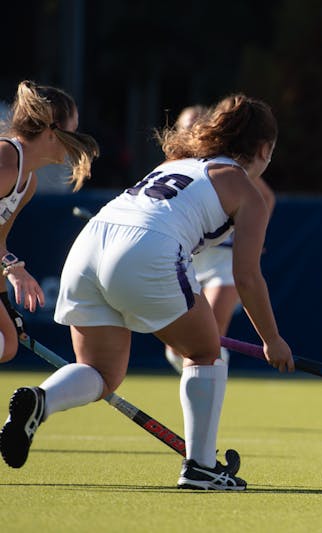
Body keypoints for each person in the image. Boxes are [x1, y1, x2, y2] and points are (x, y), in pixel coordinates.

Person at [0, 93, 294, 491]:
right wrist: (272, 340)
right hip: (148, 250)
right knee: (205, 353)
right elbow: (247, 277)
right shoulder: (247, 192)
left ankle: (41, 400)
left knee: (102, 372)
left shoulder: (175, 164)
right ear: (263, 149)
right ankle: (202, 468)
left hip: (89, 245)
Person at [164, 105, 277, 373]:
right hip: (185, 261)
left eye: (197, 123)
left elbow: (264, 198)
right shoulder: (177, 165)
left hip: (224, 263)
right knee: (178, 347)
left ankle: (209, 400)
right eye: (186, 125)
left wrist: (251, 235)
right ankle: (205, 392)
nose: (191, 129)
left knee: (210, 337)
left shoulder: (231, 170)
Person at [0, 80, 99, 363]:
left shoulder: (27, 182)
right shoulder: (5, 164)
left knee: (7, 344)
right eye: (72, 129)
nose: (76, 138)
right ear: (51, 132)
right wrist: (12, 267)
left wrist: (5, 301)